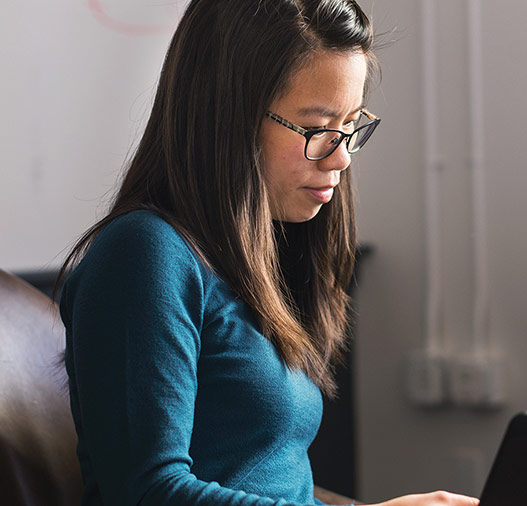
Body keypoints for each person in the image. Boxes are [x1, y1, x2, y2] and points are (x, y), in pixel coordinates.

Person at [56, 1, 479, 505]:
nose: (341, 155)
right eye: (317, 127)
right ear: (227, 117)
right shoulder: (144, 254)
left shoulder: (259, 256)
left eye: (350, 125)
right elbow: (149, 492)